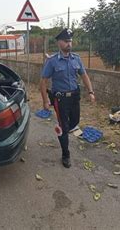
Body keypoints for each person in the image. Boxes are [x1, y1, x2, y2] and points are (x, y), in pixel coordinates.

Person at [39, 29, 96, 168]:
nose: (69, 44)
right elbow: (43, 81)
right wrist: (46, 100)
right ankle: (66, 154)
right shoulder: (52, 61)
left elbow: (84, 76)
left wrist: (90, 91)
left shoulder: (76, 58)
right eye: (66, 41)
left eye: (70, 41)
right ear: (59, 43)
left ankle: (62, 130)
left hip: (75, 97)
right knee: (64, 127)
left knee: (75, 121)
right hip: (60, 100)